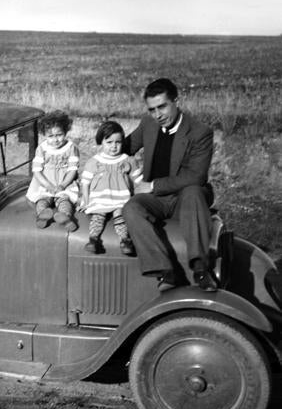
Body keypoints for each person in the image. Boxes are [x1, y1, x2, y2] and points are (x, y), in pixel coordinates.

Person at [123, 78, 216, 292]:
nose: (158, 115)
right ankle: (165, 271)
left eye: (162, 106)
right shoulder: (148, 124)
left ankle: (201, 268)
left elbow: (196, 177)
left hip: (185, 199)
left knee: (193, 191)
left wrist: (152, 185)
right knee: (132, 207)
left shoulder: (199, 132)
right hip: (155, 200)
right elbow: (124, 147)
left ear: (176, 101)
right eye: (152, 109)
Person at [80, 121, 142, 255]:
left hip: (121, 198)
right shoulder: (94, 162)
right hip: (100, 199)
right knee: (98, 216)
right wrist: (85, 200)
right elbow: (85, 183)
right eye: (109, 142)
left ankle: (125, 240)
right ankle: (93, 239)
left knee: (121, 216)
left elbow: (138, 181)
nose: (113, 146)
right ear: (101, 142)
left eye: (118, 142)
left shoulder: (128, 160)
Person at [26, 110, 79, 230]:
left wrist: (63, 185)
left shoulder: (71, 148)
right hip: (45, 183)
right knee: (42, 201)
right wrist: (48, 185)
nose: (55, 140)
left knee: (65, 201)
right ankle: (43, 216)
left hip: (63, 183)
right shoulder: (42, 149)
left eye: (59, 135)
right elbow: (37, 171)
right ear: (44, 135)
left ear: (65, 132)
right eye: (51, 136)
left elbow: (72, 170)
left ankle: (65, 217)